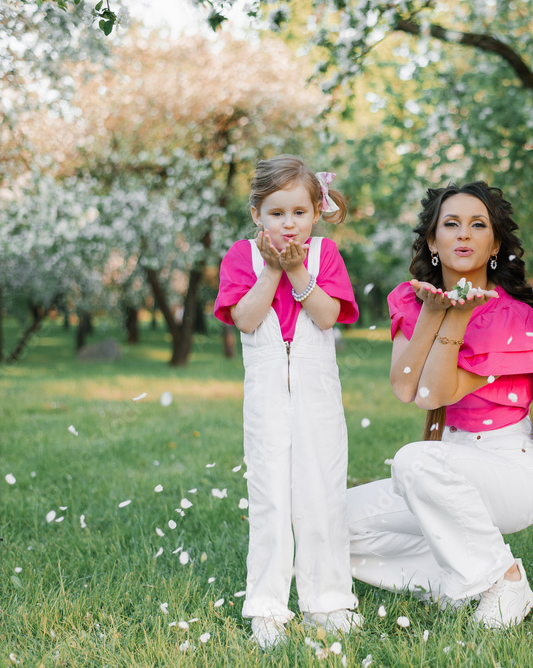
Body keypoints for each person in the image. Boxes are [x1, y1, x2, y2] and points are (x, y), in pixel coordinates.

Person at [347, 182, 533, 629]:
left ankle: (505, 577)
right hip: (445, 465)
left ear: (495, 245)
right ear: (432, 241)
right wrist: (432, 312)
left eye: (478, 225)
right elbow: (405, 386)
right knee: (325, 524)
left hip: (510, 469)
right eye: (451, 224)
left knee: (414, 461)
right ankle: (458, 580)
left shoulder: (514, 317)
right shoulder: (413, 301)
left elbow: (432, 395)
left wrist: (456, 318)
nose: (463, 234)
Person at [214, 155, 362, 648]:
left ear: (316, 212)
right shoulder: (242, 256)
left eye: (299, 212)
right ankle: (267, 605)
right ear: (256, 214)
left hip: (317, 390)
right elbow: (245, 319)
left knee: (322, 490)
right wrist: (273, 271)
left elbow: (327, 316)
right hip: (266, 391)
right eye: (276, 213)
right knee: (271, 493)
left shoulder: (324, 255)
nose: (289, 223)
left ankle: (328, 599)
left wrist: (297, 271)